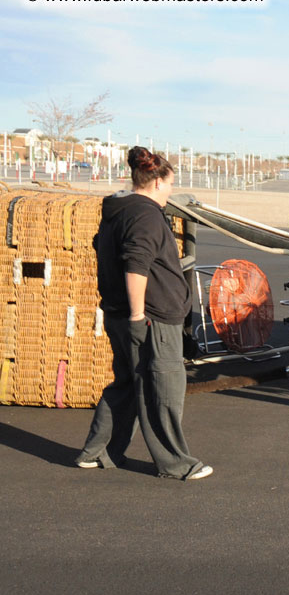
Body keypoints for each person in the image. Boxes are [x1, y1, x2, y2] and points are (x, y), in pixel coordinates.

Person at [76, 146, 213, 480]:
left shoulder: (117, 209)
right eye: (169, 185)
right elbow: (136, 265)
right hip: (149, 319)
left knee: (126, 384)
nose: (169, 192)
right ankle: (175, 464)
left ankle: (96, 453)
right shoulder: (146, 214)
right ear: (155, 183)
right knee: (161, 388)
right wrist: (139, 316)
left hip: (119, 313)